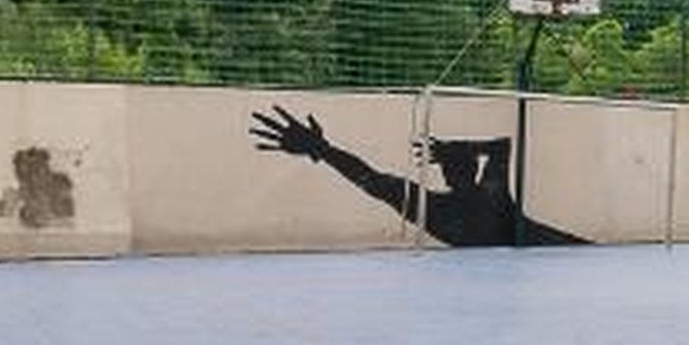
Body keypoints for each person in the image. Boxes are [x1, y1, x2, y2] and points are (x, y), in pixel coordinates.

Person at [250, 107, 587, 248]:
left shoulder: (435, 207)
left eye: (454, 163)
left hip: (558, 251)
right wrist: (321, 149)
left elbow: (369, 178)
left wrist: (322, 150)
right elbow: (500, 146)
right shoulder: (489, 193)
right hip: (554, 252)